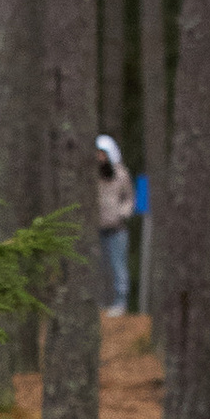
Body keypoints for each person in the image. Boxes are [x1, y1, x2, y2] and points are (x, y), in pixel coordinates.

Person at [94, 134, 132, 318]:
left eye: (103, 153)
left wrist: (122, 213)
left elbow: (129, 199)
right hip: (97, 227)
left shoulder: (121, 174)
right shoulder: (92, 175)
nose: (100, 157)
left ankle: (120, 302)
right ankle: (100, 302)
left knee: (118, 266)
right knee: (99, 266)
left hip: (117, 228)